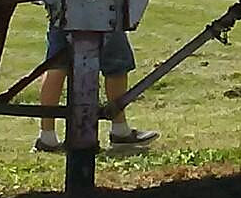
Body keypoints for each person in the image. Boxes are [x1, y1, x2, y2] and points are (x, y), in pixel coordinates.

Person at [32, 19, 158, 153]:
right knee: (116, 63)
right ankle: (120, 130)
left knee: (56, 64)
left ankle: (47, 136)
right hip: (103, 8)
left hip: (61, 9)